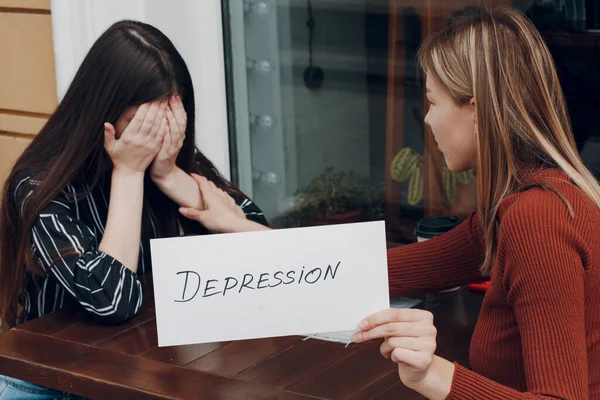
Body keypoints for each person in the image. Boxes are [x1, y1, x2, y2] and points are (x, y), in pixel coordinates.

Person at [0, 20, 267, 399]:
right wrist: (128, 175)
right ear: (101, 115)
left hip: (148, 374)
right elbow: (113, 301)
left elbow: (268, 249)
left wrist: (173, 178)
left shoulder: (174, 164)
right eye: (140, 124)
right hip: (53, 383)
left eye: (168, 121)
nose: (156, 138)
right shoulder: (40, 187)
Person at [349, 7, 600, 400]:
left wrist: (431, 374)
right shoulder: (523, 202)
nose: (428, 120)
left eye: (433, 101)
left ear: (477, 110)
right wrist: (260, 244)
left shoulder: (538, 218)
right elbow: (398, 270)